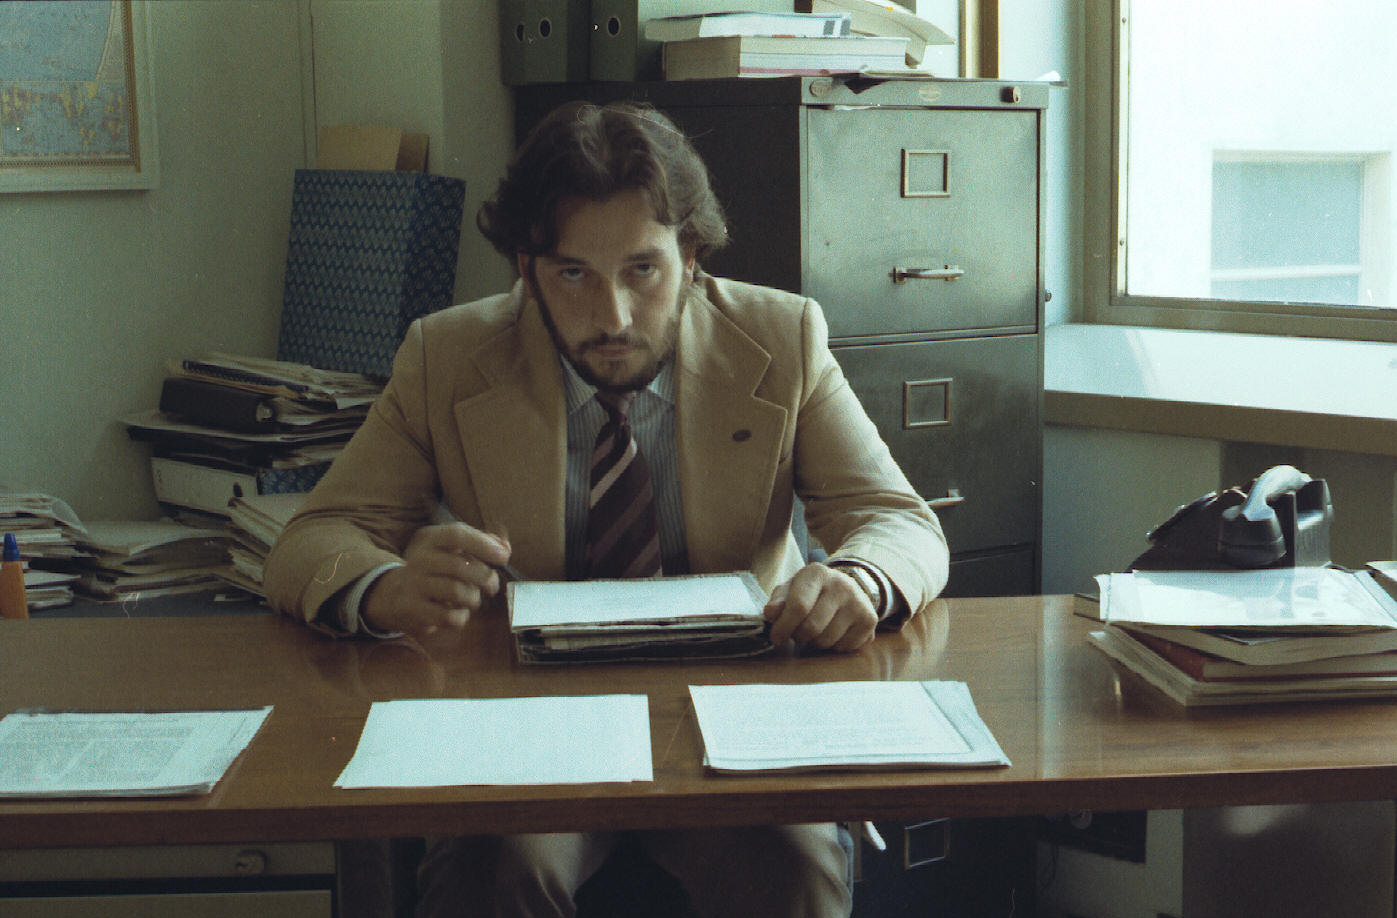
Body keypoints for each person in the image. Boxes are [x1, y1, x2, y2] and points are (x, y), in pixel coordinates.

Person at [264, 100, 949, 918]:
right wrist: (384, 586)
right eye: (573, 275)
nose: (613, 316)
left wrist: (859, 580)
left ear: (689, 257)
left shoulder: (781, 337)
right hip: (530, 720)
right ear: (527, 269)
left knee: (792, 870)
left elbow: (898, 519)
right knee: (495, 868)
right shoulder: (444, 355)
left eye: (642, 270)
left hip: (735, 711)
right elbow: (313, 538)